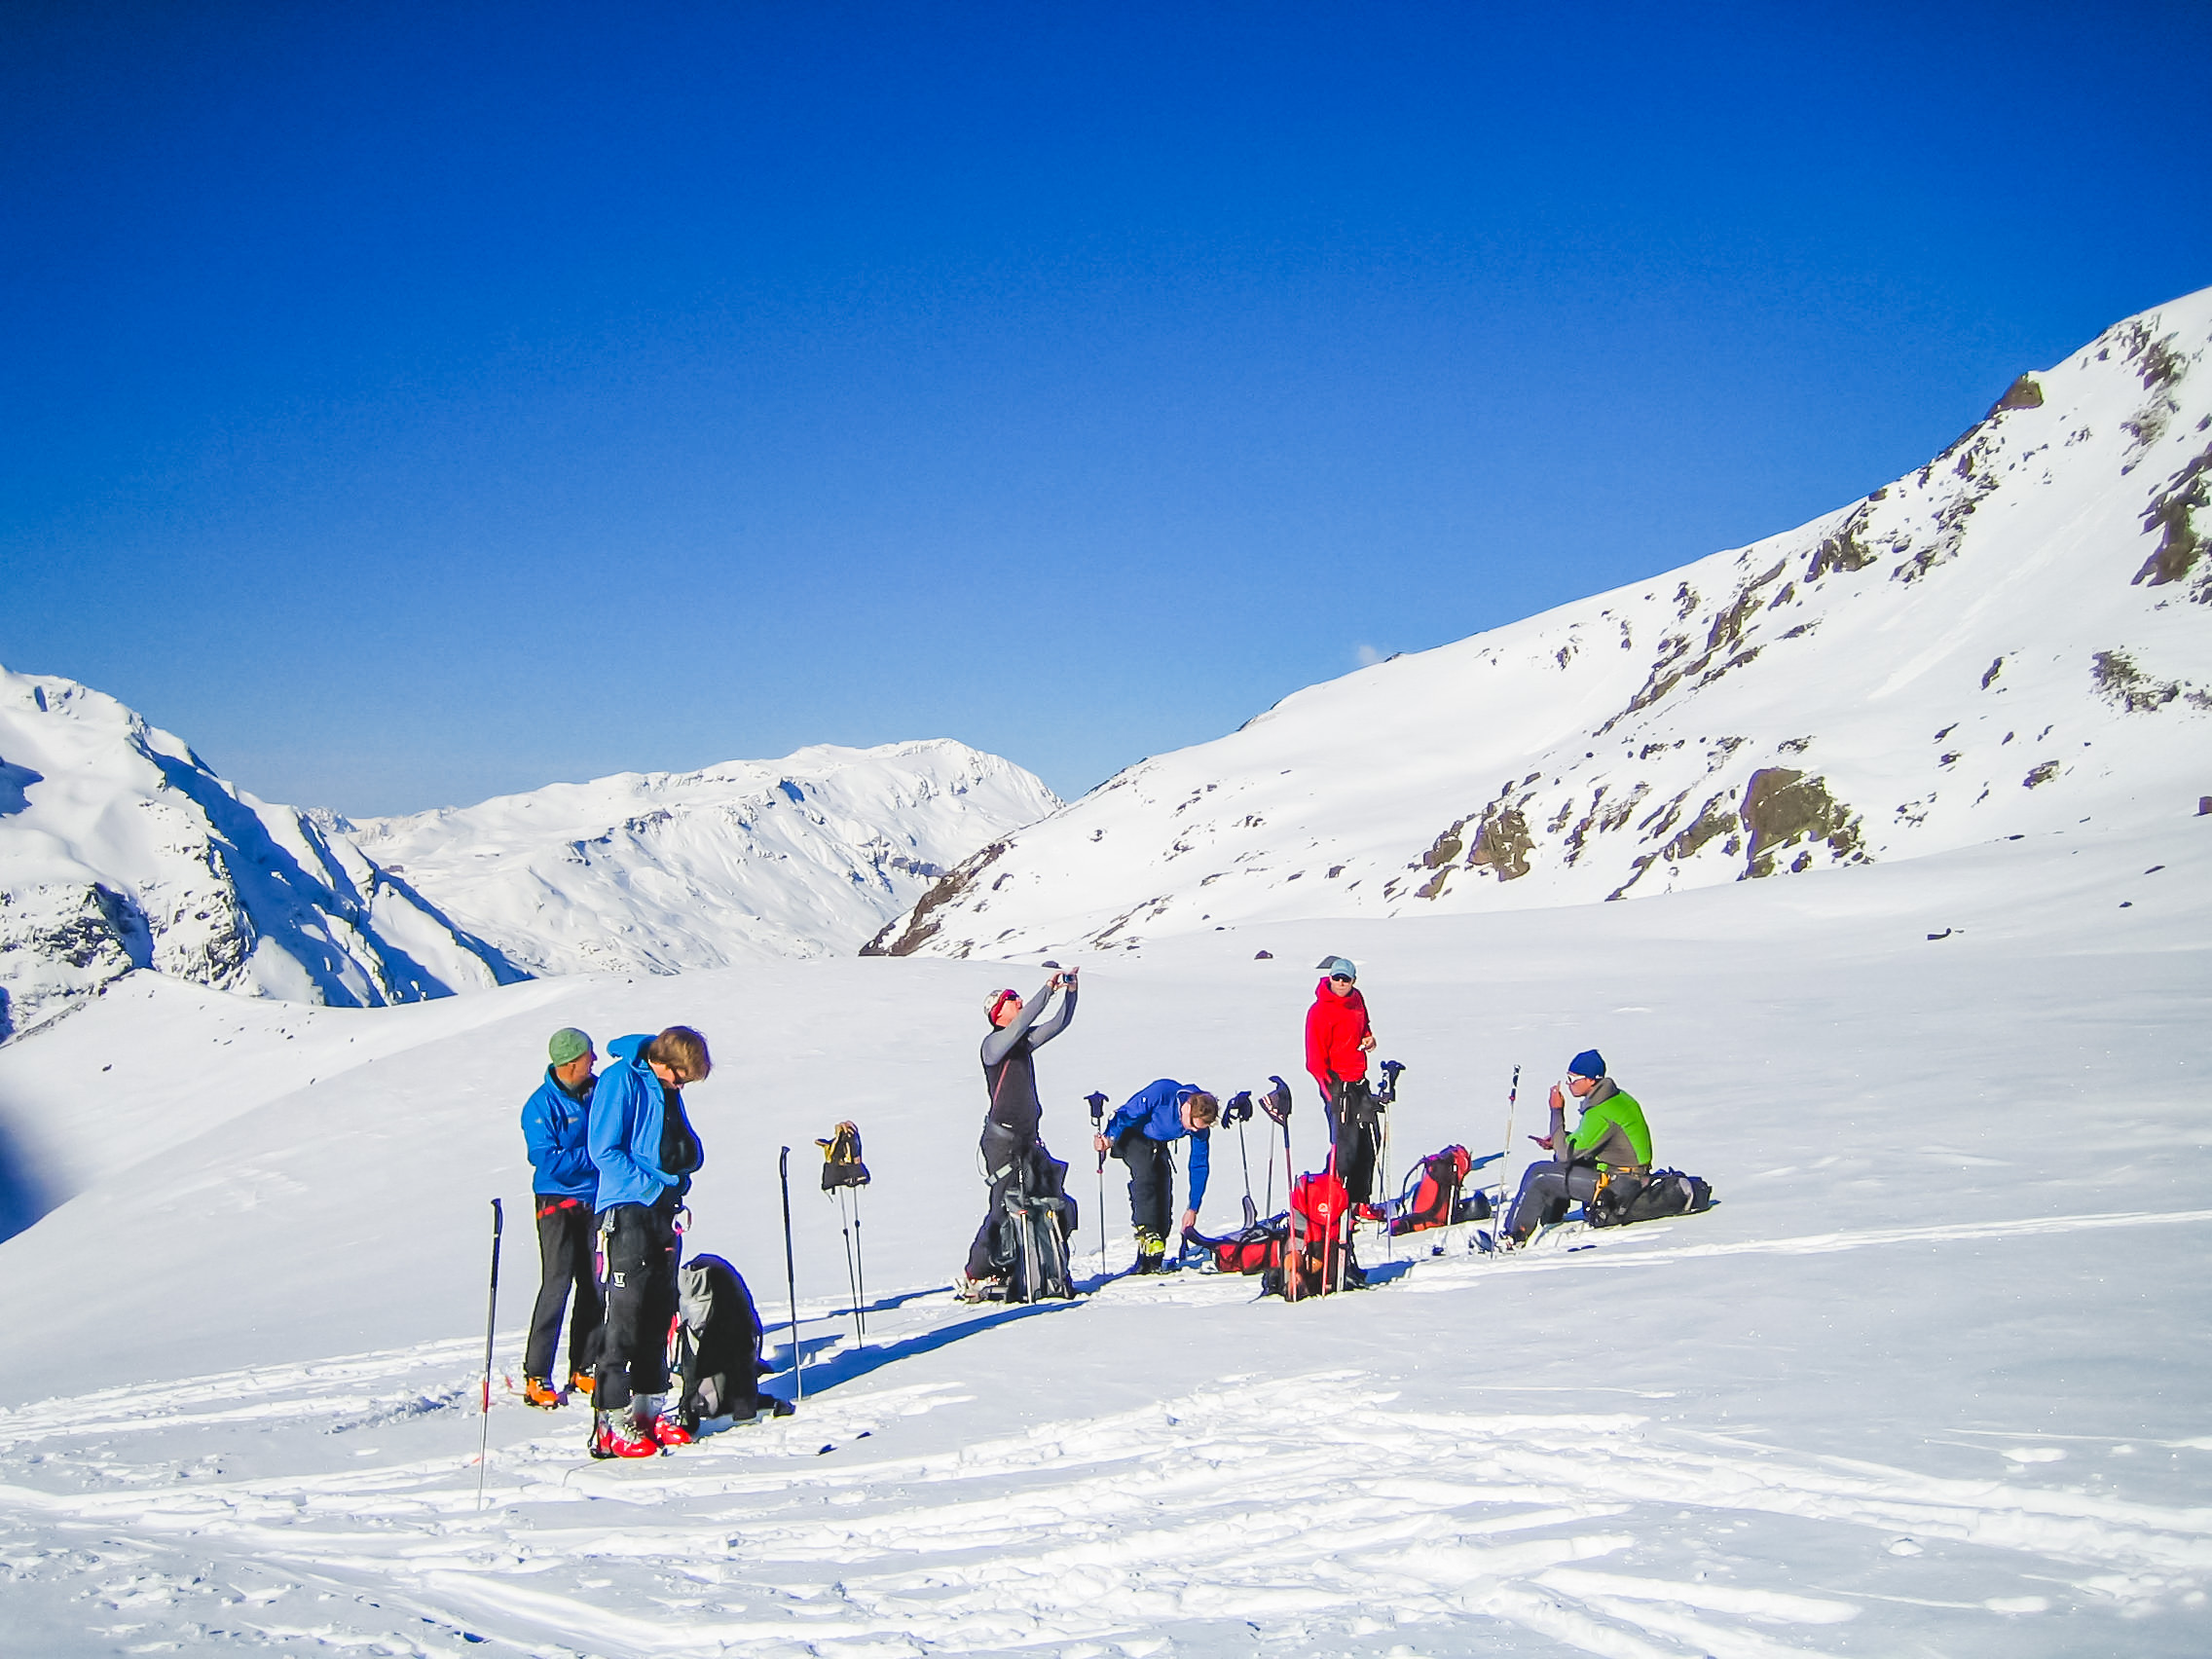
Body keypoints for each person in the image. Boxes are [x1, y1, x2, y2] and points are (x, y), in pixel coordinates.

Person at [587, 1025, 710, 1458]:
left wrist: (675, 1187)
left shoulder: (666, 1088)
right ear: (665, 1061)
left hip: (663, 1208)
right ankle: (610, 1419)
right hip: (628, 1208)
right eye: (680, 1077)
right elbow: (604, 1149)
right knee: (625, 1316)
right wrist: (652, 1188)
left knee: (661, 1312)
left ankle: (648, 1409)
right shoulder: (622, 1080)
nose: (680, 1086)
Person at [960, 968, 1078, 1298]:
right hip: (1002, 1141)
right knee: (1002, 1206)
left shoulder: (1021, 1042)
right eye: (1012, 999)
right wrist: (1047, 990)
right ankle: (979, 1270)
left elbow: (1059, 1024)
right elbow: (1025, 1022)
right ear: (998, 1012)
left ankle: (1043, 1262)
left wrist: (1070, 993)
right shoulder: (993, 1045)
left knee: (1052, 1198)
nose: (1019, 1001)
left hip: (1028, 1137)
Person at [519, 1027, 604, 1409]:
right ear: (571, 1063)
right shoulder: (540, 1106)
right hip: (557, 1202)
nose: (595, 1061)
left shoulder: (598, 1091)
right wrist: (598, 1158)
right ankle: (537, 1374)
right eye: (589, 1055)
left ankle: (584, 1367)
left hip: (597, 1200)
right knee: (556, 1284)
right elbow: (547, 1160)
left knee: (594, 1285)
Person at [1500, 1049, 1652, 1246]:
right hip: (1624, 1175)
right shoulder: (1614, 1099)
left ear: (1591, 1080)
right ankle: (1549, 1219)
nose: (1569, 1084)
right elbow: (1589, 1141)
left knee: (1539, 1175)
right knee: (1552, 1165)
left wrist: (1556, 1111)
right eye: (1568, 1078)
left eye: (1573, 1079)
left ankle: (1514, 1237)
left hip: (1620, 1185)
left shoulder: (1601, 1111)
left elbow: (1566, 1155)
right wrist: (1559, 1140)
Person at [1094, 1080, 1220, 1272]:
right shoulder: (1162, 1093)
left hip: (1156, 1142)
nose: (1194, 1131)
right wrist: (1108, 1138)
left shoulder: (1199, 1128)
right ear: (1187, 1108)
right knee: (1146, 1176)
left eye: (1200, 1128)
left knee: (1163, 1192)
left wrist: (1192, 1208)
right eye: (1193, 1126)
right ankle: (1147, 1231)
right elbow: (1127, 1114)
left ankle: (1151, 1261)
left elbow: (1199, 1165)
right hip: (1130, 1135)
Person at [1305, 955, 1382, 1204]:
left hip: (1359, 1080)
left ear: (1353, 981)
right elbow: (1314, 1059)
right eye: (1336, 978)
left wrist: (1369, 1038)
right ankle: (1335, 1202)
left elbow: (1364, 1026)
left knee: (1369, 1141)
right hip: (1337, 1084)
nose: (1340, 983)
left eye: (1345, 979)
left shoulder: (1357, 1000)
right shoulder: (1320, 1011)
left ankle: (1360, 1201)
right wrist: (1330, 1093)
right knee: (1344, 1146)